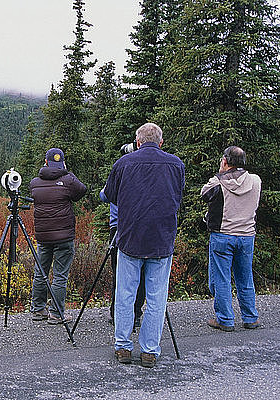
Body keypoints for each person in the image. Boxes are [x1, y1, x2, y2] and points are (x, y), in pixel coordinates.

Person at [103, 123, 185, 368]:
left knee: (126, 294)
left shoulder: (124, 163)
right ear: (161, 142)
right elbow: (178, 195)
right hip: (162, 238)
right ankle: (149, 350)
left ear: (137, 142)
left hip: (130, 237)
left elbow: (110, 196)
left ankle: (123, 347)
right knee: (156, 297)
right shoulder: (176, 164)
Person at [201, 146, 261, 332]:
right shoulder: (256, 181)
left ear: (225, 162)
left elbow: (204, 194)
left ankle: (225, 319)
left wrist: (221, 174)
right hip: (246, 236)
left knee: (221, 278)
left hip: (223, 234)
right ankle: (250, 317)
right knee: (245, 277)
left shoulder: (217, 182)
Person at [29, 148, 87, 325]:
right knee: (60, 275)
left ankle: (38, 310)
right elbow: (82, 191)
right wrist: (68, 173)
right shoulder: (68, 180)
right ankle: (56, 313)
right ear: (62, 163)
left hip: (43, 236)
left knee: (41, 272)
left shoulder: (34, 183)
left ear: (45, 162)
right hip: (64, 236)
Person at [99, 188, 144, 328]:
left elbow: (104, 195)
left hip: (118, 227)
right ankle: (136, 313)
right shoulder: (140, 176)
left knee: (119, 273)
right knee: (141, 272)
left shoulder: (117, 174)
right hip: (139, 226)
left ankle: (117, 314)